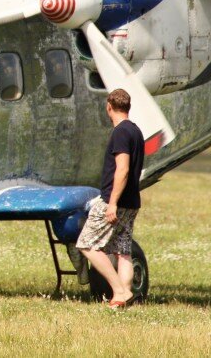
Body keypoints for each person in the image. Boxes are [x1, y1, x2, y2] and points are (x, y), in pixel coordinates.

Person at [76, 88, 145, 308]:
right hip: (132, 201)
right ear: (128, 107)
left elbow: (122, 169)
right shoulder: (136, 131)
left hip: (114, 200)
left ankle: (120, 291)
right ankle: (123, 299)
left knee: (87, 245)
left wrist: (112, 203)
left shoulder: (121, 133)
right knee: (122, 251)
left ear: (109, 107)